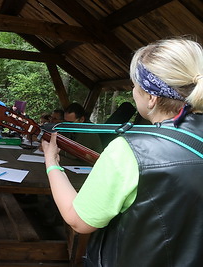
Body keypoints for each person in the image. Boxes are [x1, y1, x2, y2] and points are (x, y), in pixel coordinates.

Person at [42, 37, 203, 266]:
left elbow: (78, 220)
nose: (133, 91)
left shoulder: (130, 149)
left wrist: (52, 162)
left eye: (135, 85)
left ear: (151, 97)